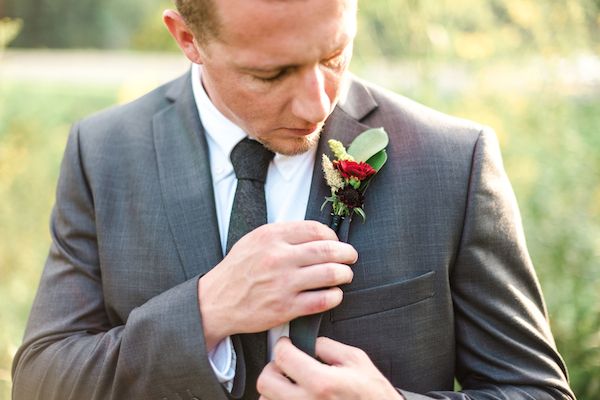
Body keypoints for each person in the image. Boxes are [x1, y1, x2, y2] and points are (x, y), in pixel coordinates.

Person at [12, 0, 575, 399]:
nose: (315, 105)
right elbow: (42, 382)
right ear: (188, 39)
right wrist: (207, 310)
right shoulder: (103, 152)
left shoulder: (453, 160)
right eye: (271, 74)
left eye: (334, 56)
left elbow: (537, 391)